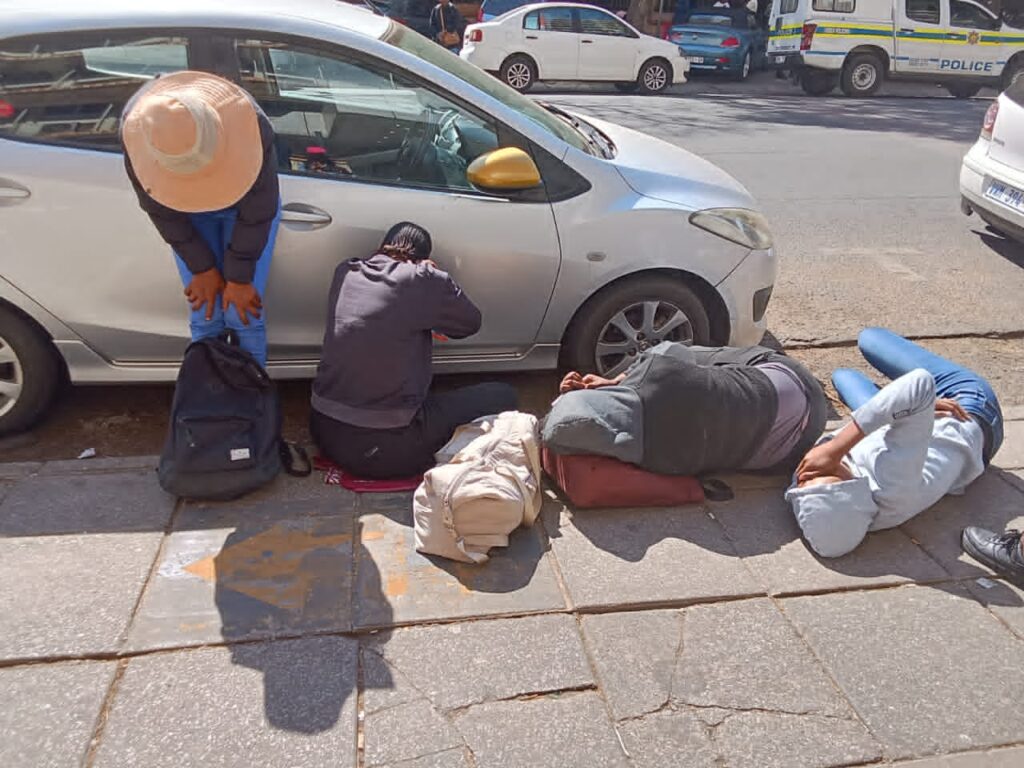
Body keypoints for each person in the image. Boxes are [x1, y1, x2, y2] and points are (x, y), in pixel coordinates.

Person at [310, 222, 518, 479]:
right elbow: (470, 323)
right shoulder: (423, 279)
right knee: (503, 395)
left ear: (380, 249)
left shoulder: (346, 271)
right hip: (381, 452)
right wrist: (433, 281)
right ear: (423, 259)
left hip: (322, 430)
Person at [786, 327, 1004, 558]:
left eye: (803, 483)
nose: (807, 474)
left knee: (843, 377)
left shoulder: (837, 512)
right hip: (969, 411)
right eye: (822, 476)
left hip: (897, 432)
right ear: (852, 488)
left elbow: (808, 494)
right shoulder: (894, 484)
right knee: (870, 339)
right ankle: (902, 404)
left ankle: (900, 405)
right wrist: (835, 448)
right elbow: (920, 383)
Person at [122, 71, 281, 367]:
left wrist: (238, 277)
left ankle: (251, 407)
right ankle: (207, 403)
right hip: (183, 212)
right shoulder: (139, 129)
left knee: (243, 313)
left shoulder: (250, 123)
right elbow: (158, 207)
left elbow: (259, 209)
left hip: (245, 209)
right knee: (206, 315)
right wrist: (202, 269)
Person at [544, 341, 827, 476]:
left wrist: (606, 388)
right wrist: (616, 380)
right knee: (685, 354)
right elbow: (670, 351)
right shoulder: (660, 371)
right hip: (795, 382)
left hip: (787, 454)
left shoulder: (653, 462)